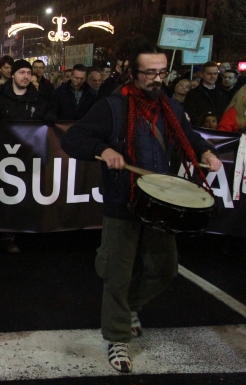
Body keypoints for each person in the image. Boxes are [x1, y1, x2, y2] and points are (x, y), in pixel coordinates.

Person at [61, 42, 222, 373]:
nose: (157, 79)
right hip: (123, 202)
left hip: (161, 201)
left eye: (162, 72)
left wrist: (205, 152)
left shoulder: (171, 108)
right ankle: (117, 336)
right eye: (150, 72)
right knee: (117, 275)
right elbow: (73, 139)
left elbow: (190, 136)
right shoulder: (112, 107)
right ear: (133, 75)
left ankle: (127, 307)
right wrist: (103, 150)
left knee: (165, 269)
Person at [0, 59, 56, 254]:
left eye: (28, 72)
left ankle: (9, 236)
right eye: (21, 72)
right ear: (13, 75)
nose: (25, 76)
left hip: (23, 159)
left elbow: (51, 117)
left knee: (16, 199)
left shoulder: (37, 99)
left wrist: (51, 120)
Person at [184, 61, 230, 127]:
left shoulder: (223, 93)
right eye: (209, 74)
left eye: (215, 74)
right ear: (202, 74)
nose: (213, 76)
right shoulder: (192, 94)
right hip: (200, 131)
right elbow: (190, 115)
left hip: (220, 130)